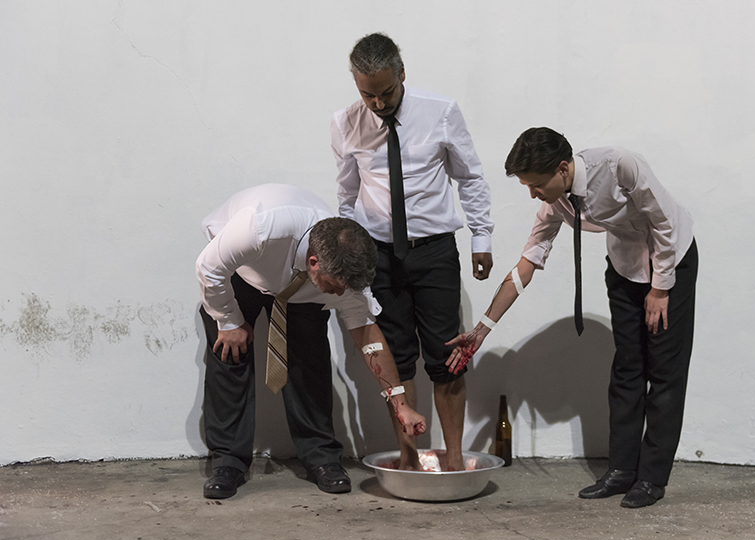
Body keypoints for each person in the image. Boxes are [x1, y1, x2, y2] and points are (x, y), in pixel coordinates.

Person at [447, 128, 698, 508]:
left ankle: (651, 478)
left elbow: (664, 222)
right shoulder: (556, 202)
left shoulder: (619, 165)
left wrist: (660, 289)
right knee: (627, 369)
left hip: (670, 262)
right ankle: (622, 470)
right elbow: (527, 264)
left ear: (562, 168)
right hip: (625, 265)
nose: (533, 194)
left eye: (536, 185)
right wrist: (482, 329)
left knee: (664, 371)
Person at [196, 183, 426, 499]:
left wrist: (401, 404)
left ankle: (321, 458)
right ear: (314, 263)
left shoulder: (346, 280)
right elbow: (209, 267)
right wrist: (228, 321)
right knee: (230, 356)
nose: (339, 295)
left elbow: (369, 338)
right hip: (244, 272)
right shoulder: (260, 227)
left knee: (310, 364)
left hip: (300, 291)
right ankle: (227, 462)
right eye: (335, 287)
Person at [331, 32, 495, 472]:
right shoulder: (345, 123)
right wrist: (350, 255)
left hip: (434, 251)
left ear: (402, 73)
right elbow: (347, 196)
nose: (378, 103)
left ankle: (455, 458)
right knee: (396, 357)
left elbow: (470, 177)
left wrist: (481, 237)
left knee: (447, 358)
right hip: (377, 255)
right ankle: (407, 457)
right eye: (368, 95)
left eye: (386, 92)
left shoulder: (441, 111)